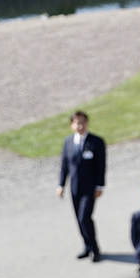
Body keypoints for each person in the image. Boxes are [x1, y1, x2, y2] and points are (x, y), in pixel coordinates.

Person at [57, 111, 106, 262]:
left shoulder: (96, 142)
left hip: (90, 187)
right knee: (78, 218)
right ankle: (86, 246)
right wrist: (61, 185)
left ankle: (95, 248)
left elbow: (101, 165)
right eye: (77, 123)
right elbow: (65, 165)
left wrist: (99, 186)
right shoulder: (68, 142)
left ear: (87, 123)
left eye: (82, 123)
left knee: (85, 217)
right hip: (75, 187)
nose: (80, 126)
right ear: (72, 125)